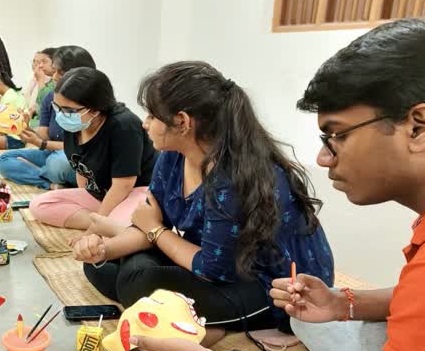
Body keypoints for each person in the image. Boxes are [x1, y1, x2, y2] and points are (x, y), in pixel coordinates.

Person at [132, 19, 425, 351]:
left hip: (241, 288)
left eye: (337, 135)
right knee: (310, 320)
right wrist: (345, 303)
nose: (323, 158)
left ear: (420, 126)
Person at [72, 61, 333, 335]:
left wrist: (155, 231)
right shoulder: (172, 157)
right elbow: (147, 226)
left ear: (182, 122)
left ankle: (204, 321)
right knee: (99, 268)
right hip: (205, 259)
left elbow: (210, 267)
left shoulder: (232, 177)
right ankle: (188, 317)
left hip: (267, 287)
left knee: (139, 280)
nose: (145, 124)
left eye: (151, 115)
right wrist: (102, 250)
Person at [29, 67, 157, 229]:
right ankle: (111, 224)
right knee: (39, 204)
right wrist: (94, 213)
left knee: (122, 227)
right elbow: (81, 170)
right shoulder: (74, 123)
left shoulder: (124, 125)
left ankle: (113, 224)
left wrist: (93, 229)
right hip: (102, 194)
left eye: (68, 110)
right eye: (57, 107)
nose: (61, 115)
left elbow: (124, 185)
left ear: (95, 108)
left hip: (136, 192)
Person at [0, 45, 95, 189]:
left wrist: (41, 144)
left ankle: (44, 173)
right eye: (35, 62)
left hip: (73, 157)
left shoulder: (88, 105)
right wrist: (26, 128)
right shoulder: (50, 96)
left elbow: (82, 148)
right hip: (52, 152)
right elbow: (43, 135)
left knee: (60, 164)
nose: (53, 76)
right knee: (2, 160)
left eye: (58, 72)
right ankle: (50, 183)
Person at [22, 48, 56, 128]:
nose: (38, 65)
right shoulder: (32, 80)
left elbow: (45, 103)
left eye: (44, 62)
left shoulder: (53, 82)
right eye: (35, 61)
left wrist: (41, 79)